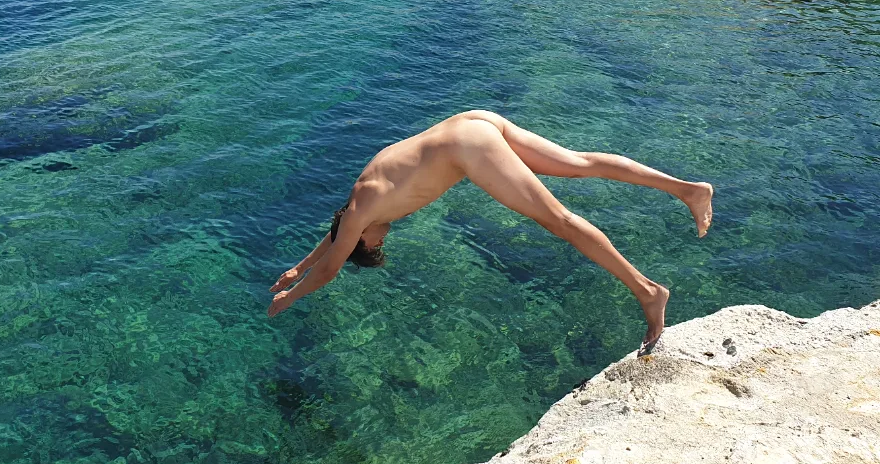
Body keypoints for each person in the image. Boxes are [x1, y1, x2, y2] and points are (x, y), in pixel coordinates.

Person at [267, 110, 713, 355]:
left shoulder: (360, 218)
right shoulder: (357, 198)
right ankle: (688, 190)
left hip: (470, 148)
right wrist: (294, 268)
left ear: (362, 240)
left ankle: (647, 291)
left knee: (558, 219)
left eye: (377, 245)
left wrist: (291, 296)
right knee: (579, 163)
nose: (385, 238)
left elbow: (330, 267)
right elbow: (331, 241)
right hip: (474, 120)